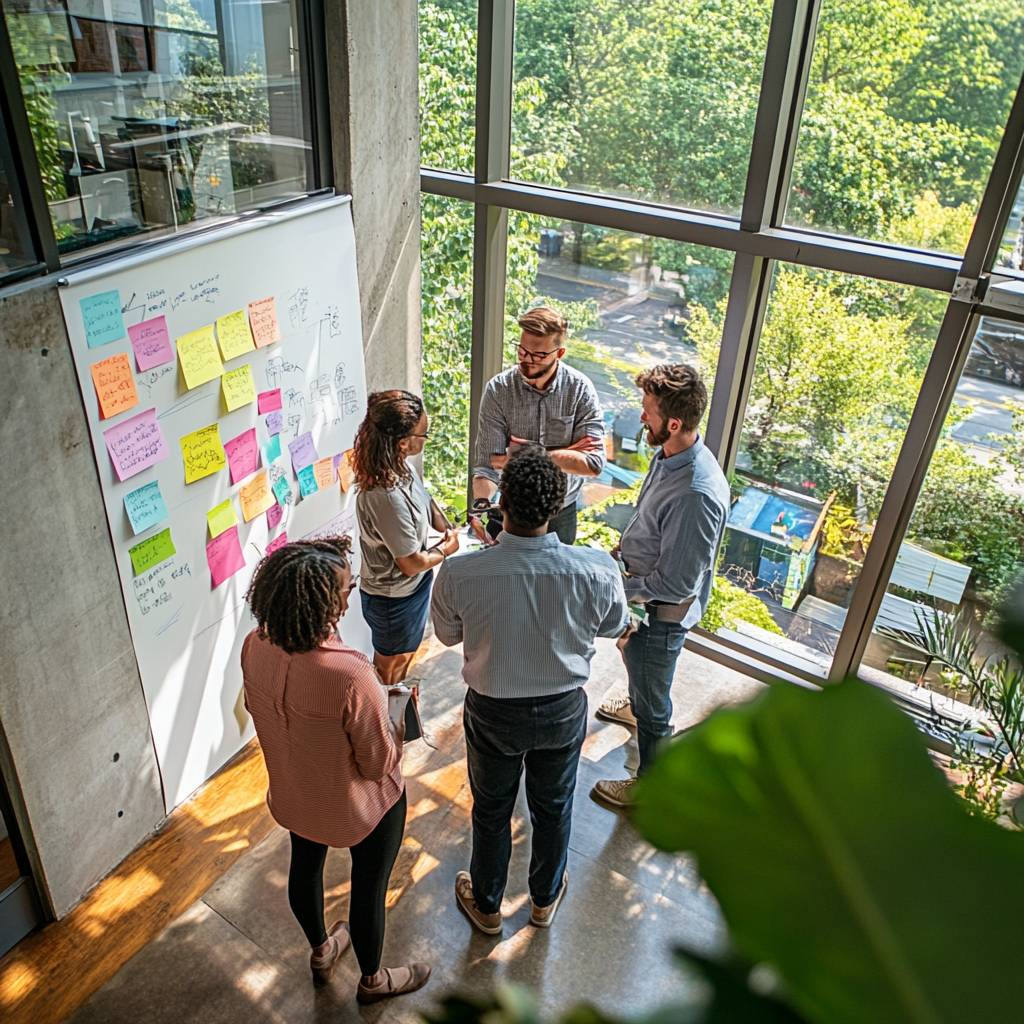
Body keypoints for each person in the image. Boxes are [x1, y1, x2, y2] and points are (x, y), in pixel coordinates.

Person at [432, 447, 630, 933]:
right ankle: (543, 900)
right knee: (554, 806)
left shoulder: (460, 572)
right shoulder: (596, 568)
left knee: (492, 810)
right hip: (563, 710)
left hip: (492, 711)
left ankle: (487, 904)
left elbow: (447, 635)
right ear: (558, 505)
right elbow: (614, 624)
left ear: (502, 504)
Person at [241, 537, 430, 1004]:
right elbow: (377, 762)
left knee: (304, 868)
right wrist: (396, 720)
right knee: (368, 887)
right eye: (346, 588)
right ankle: (374, 981)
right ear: (323, 602)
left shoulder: (253, 646)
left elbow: (259, 709)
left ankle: (322, 951)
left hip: (294, 796)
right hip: (356, 810)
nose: (351, 596)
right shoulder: (351, 673)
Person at [592, 363, 730, 809]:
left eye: (647, 410)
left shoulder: (697, 493)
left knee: (656, 704)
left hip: (658, 613)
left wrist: (617, 588)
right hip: (640, 598)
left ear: (673, 422)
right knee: (636, 664)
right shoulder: (667, 454)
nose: (641, 416)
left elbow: (676, 583)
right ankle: (636, 703)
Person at [471, 306, 606, 544]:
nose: (527, 361)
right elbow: (488, 464)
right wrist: (481, 506)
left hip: (561, 512)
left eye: (539, 355)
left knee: (555, 580)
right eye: (522, 351)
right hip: (509, 510)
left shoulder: (580, 390)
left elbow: (593, 464)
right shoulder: (499, 390)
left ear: (559, 353)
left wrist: (521, 456)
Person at [353, 390, 459, 684]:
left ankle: (395, 708)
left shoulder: (401, 467)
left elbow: (423, 498)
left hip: (412, 588)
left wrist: (442, 520)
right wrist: (447, 549)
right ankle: (383, 720)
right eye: (423, 435)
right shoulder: (385, 497)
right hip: (393, 599)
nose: (425, 440)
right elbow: (410, 563)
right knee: (390, 667)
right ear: (403, 442)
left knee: (404, 657)